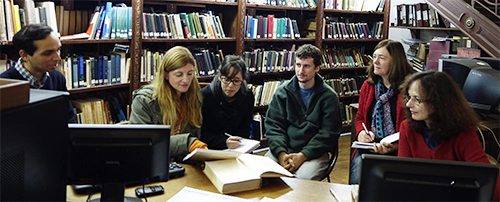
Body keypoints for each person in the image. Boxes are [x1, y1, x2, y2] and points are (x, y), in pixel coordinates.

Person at [398, 71, 499, 201]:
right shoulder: (407, 128)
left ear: (437, 102)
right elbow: (401, 176)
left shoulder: (463, 133)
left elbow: (487, 180)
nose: (408, 104)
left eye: (416, 99)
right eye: (409, 97)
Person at [264, 44, 342, 180]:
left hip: (313, 154)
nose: (301, 71)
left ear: (317, 68)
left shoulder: (329, 97)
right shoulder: (283, 92)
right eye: (298, 65)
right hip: (284, 149)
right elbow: (274, 126)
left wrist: (303, 155)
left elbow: (328, 134)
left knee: (301, 182)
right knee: (263, 173)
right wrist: (281, 154)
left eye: (306, 66)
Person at [349, 39, 416, 184]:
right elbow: (359, 118)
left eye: (382, 58)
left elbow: (416, 126)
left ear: (395, 62)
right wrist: (361, 133)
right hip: (370, 147)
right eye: (374, 57)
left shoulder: (411, 89)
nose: (375, 62)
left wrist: (396, 146)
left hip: (399, 148)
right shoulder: (368, 86)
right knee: (357, 183)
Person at [129, 46, 207, 161]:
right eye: (179, 75)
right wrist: (188, 143)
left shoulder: (195, 98)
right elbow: (143, 142)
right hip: (154, 163)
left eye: (190, 73)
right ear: (166, 75)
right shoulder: (144, 100)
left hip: (186, 165)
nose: (186, 80)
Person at [0, 24, 77, 123]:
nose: (57, 58)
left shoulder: (57, 77)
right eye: (47, 53)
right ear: (24, 55)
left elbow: (68, 116)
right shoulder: (5, 85)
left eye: (58, 50)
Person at [200, 55, 255, 150]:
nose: (230, 86)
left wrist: (238, 143)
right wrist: (224, 142)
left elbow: (245, 128)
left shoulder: (247, 96)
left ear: (243, 81)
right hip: (211, 148)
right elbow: (200, 134)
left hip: (238, 147)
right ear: (219, 77)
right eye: (227, 79)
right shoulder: (204, 96)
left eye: (236, 81)